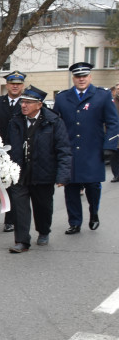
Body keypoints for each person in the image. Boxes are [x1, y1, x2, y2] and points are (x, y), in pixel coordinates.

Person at [4, 86, 72, 253]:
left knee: (43, 206)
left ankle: (43, 231)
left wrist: (62, 175)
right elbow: (7, 146)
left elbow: (64, 150)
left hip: (43, 173)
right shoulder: (15, 121)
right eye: (22, 102)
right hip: (19, 172)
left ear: (39, 105)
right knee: (19, 208)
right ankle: (22, 241)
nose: (24, 105)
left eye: (28, 102)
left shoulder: (54, 122)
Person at [55, 62, 119, 234]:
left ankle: (94, 212)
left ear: (90, 77)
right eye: (77, 76)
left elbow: (113, 123)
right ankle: (75, 222)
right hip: (69, 151)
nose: (81, 79)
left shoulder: (102, 95)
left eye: (84, 76)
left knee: (93, 186)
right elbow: (55, 125)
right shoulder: (62, 97)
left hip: (93, 150)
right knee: (71, 188)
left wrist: (110, 145)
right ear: (73, 78)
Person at [0, 72, 26, 232]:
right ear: (7, 85)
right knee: (6, 185)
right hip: (1, 152)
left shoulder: (27, 103)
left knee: (20, 186)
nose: (15, 86)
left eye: (18, 83)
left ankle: (19, 217)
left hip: (22, 151)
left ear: (23, 85)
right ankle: (9, 218)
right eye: (12, 83)